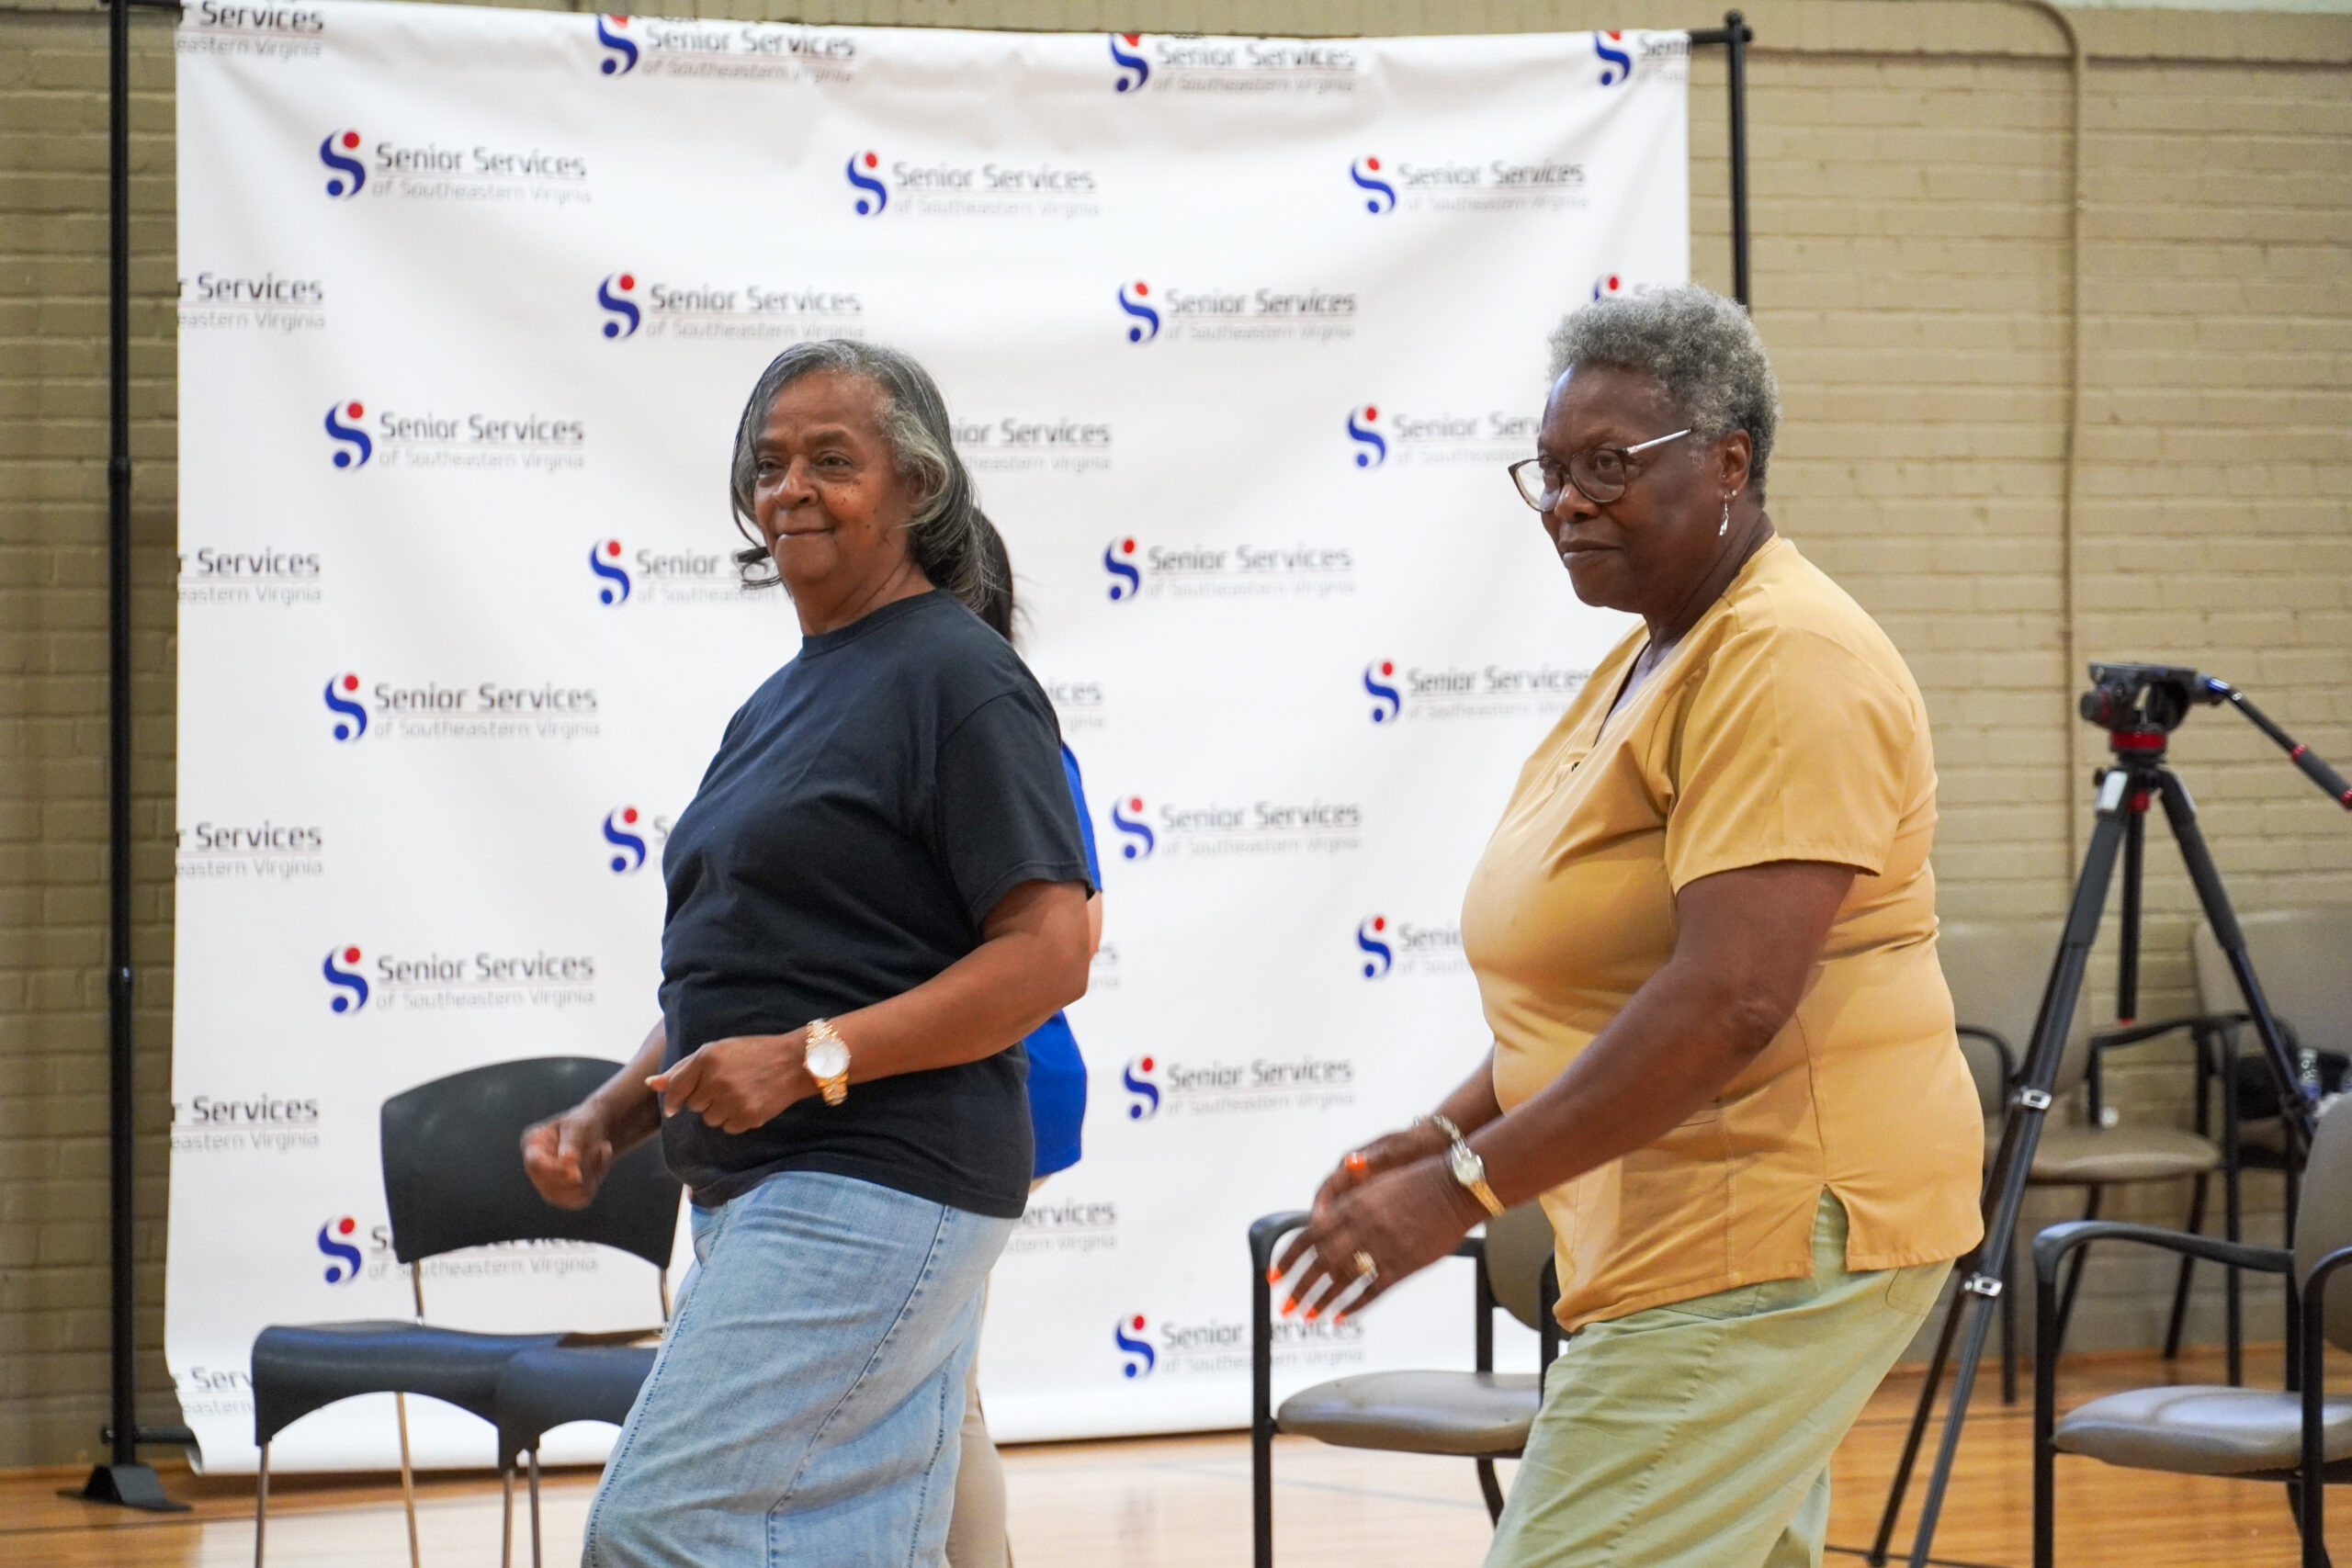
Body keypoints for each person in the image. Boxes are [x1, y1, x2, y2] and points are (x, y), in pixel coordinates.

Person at [1272, 285, 1984, 1567]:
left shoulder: (1786, 657)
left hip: (1760, 1230)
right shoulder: (1657, 653)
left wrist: (1463, 1190)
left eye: (1608, 465)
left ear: (1731, 462)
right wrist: (1443, 1130)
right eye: (1547, 472)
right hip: (1684, 1232)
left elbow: (1729, 997)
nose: (1567, 501)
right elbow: (1600, 977)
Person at [519, 340, 1094, 1568]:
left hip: (878, 1173)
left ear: (917, 489)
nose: (791, 487)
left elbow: (1050, 951)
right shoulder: (784, 697)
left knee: (658, 1523)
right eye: (769, 463)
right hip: (767, 1185)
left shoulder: (960, 678)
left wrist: (810, 1057)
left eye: (834, 460)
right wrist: (616, 1112)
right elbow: (762, 963)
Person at [944, 518, 1104, 1568]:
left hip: (989, 1078)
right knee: (940, 1381)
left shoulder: (994, 728)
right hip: (977, 1080)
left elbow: (1071, 940)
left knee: (935, 1387)